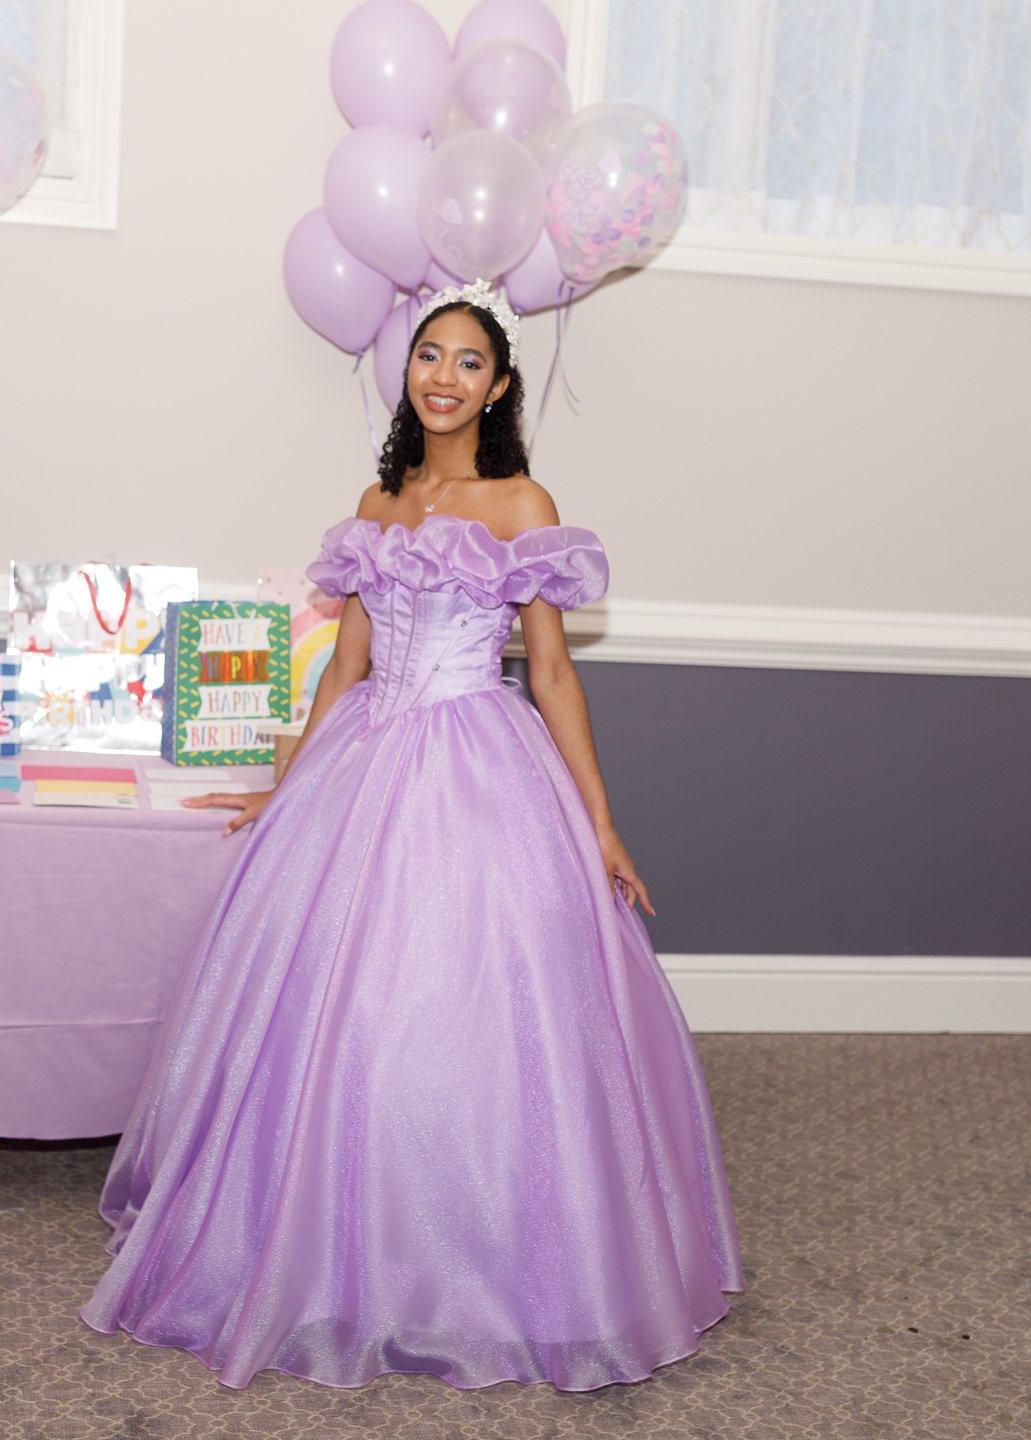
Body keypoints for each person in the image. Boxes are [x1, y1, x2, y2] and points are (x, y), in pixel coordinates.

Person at [80, 279, 742, 1391]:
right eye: (429, 355)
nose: (444, 376)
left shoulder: (522, 504)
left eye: (468, 361)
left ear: (500, 382)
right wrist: (280, 787)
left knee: (467, 1006)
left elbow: (552, 670)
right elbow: (344, 669)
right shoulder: (376, 503)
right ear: (409, 370)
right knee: (330, 1006)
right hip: (363, 762)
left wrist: (603, 825)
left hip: (479, 763)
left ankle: (488, 1267)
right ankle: (319, 1255)